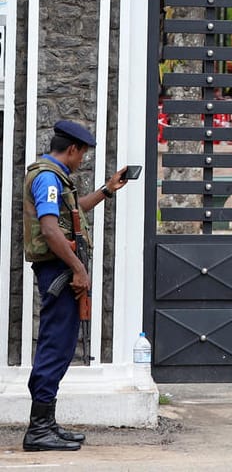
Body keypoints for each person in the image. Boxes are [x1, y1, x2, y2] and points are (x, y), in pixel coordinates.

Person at [21, 120, 130, 452]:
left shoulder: (53, 178)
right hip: (59, 270)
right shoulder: (47, 180)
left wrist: (107, 190)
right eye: (82, 154)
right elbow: (52, 230)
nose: (81, 160)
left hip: (61, 268)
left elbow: (73, 212)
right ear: (72, 150)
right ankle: (38, 430)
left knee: (61, 345)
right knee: (55, 345)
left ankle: (46, 423)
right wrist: (79, 269)